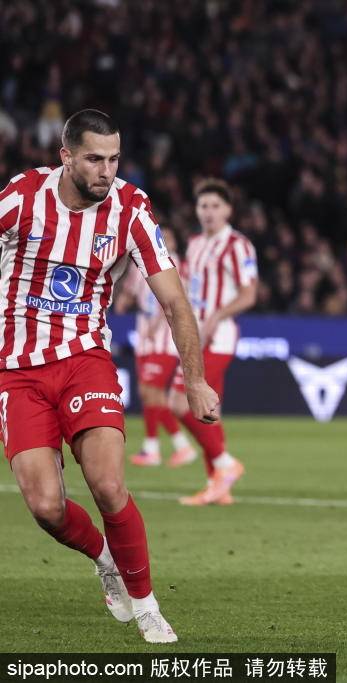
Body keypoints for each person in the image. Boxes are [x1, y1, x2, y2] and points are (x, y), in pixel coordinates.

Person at [0, 109, 220, 643]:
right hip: (17, 370)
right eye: (94, 159)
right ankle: (104, 559)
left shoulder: (130, 208)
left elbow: (175, 301)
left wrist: (194, 380)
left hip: (85, 360)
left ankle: (147, 606)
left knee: (107, 483)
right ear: (66, 157)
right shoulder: (21, 197)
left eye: (114, 159)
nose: (107, 171)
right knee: (46, 507)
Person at [172, 179, 258, 506]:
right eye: (203, 206)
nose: (208, 212)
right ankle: (218, 487)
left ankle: (224, 464)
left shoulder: (237, 245)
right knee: (208, 411)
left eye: (215, 206)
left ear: (228, 210)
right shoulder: (195, 244)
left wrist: (215, 318)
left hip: (218, 338)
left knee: (179, 401)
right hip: (195, 335)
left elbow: (249, 294)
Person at [115, 227, 196, 467]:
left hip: (165, 340)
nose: (165, 241)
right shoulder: (140, 263)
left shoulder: (178, 266)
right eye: (162, 236)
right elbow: (130, 289)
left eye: (169, 237)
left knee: (153, 390)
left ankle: (157, 448)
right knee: (147, 393)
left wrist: (157, 324)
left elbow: (175, 301)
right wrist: (123, 301)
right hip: (144, 338)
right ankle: (175, 447)